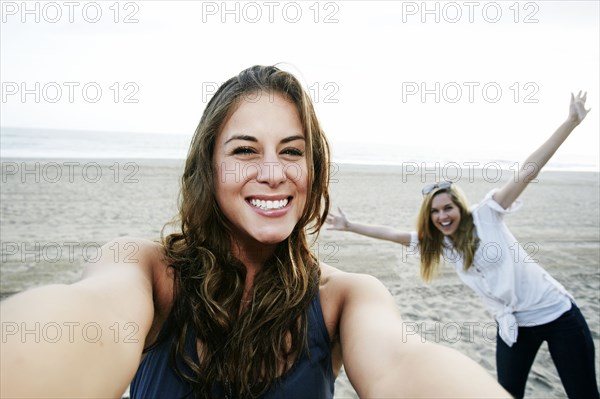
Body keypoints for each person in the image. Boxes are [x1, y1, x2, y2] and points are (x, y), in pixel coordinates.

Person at [0, 65, 509, 399]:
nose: (273, 173)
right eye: (245, 150)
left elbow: (403, 364)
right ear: (210, 168)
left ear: (314, 169)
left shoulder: (346, 298)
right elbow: (85, 322)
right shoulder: (147, 270)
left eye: (291, 151)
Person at [326, 92, 599, 399]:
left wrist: (571, 122)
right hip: (513, 327)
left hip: (558, 315)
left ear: (460, 207)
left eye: (447, 208)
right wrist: (349, 226)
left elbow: (527, 171)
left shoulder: (488, 215)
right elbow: (393, 234)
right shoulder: (442, 244)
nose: (442, 215)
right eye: (435, 211)